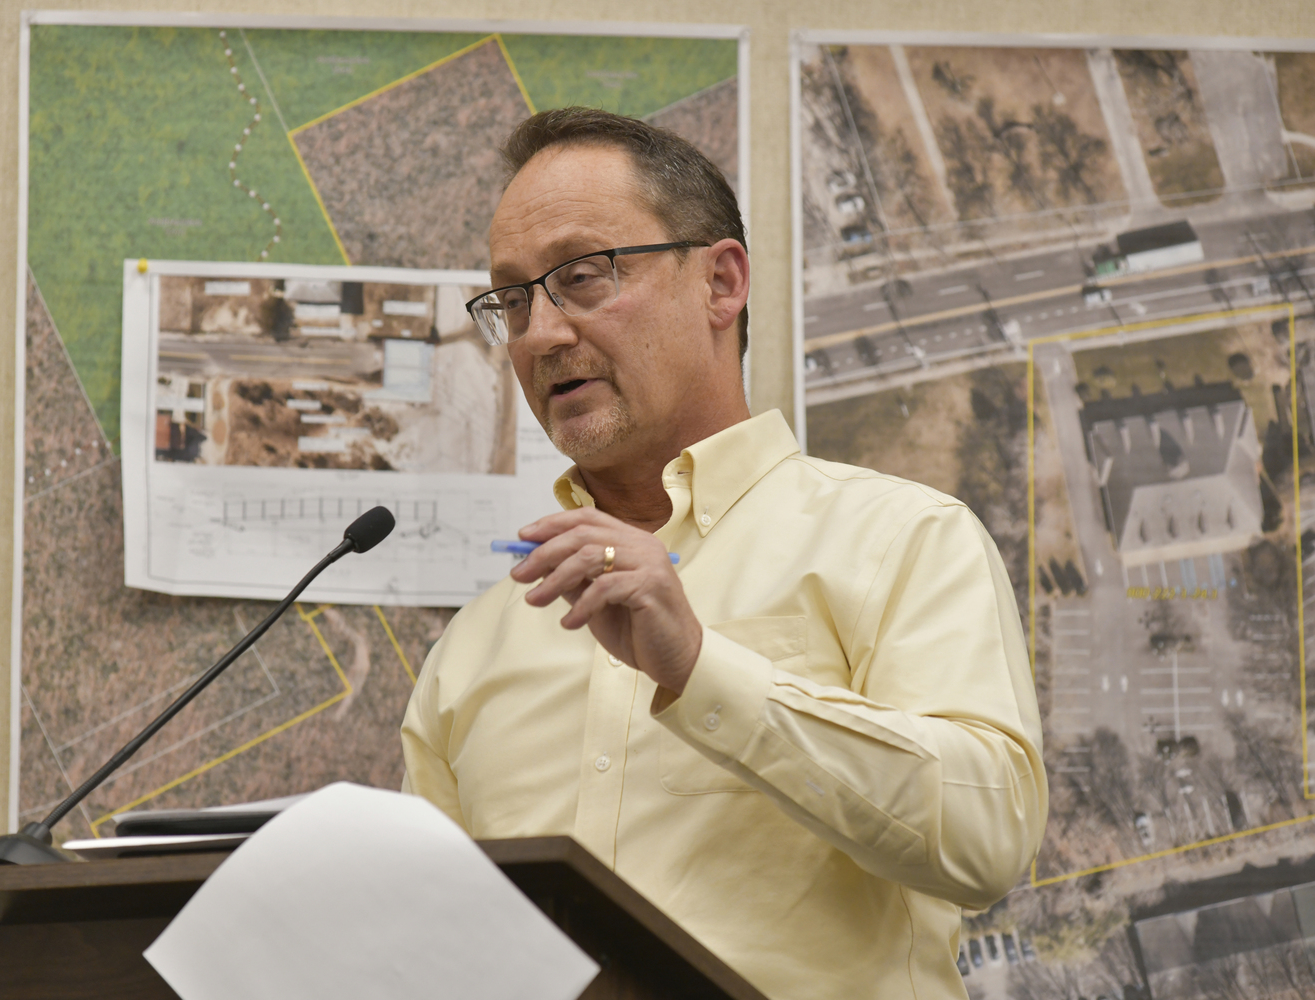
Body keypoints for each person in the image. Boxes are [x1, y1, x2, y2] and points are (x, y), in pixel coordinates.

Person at [401, 108, 1046, 999]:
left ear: (721, 282)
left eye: (582, 278)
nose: (540, 335)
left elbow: (988, 842)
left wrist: (704, 673)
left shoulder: (901, 539)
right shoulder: (474, 648)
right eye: (511, 300)